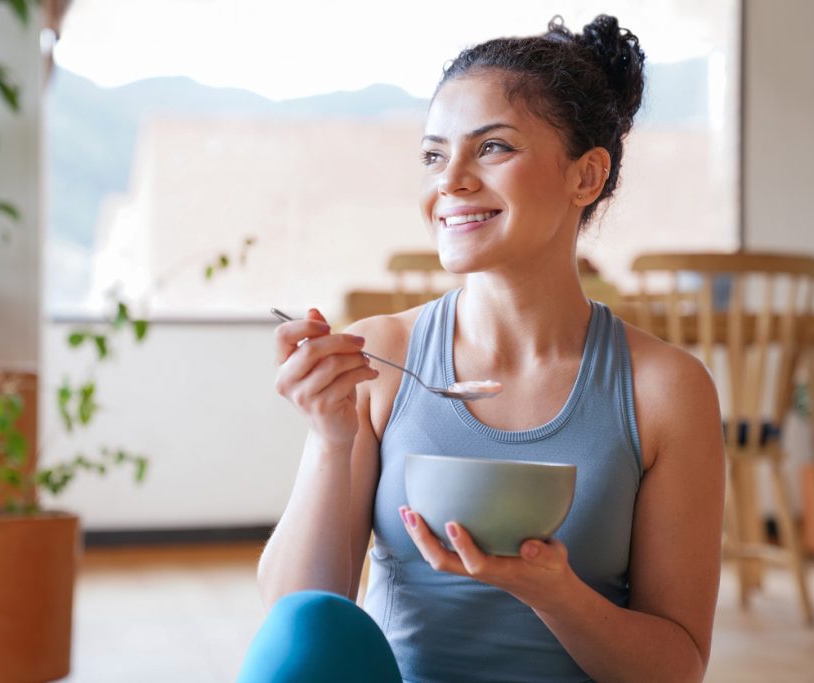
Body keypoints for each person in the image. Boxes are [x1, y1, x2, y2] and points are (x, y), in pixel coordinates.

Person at [242, 14, 725, 683]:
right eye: (435, 155)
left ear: (586, 176)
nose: (451, 180)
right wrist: (331, 439)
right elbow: (298, 620)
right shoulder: (382, 354)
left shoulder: (665, 389)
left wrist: (554, 591)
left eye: (492, 148)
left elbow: (676, 668)